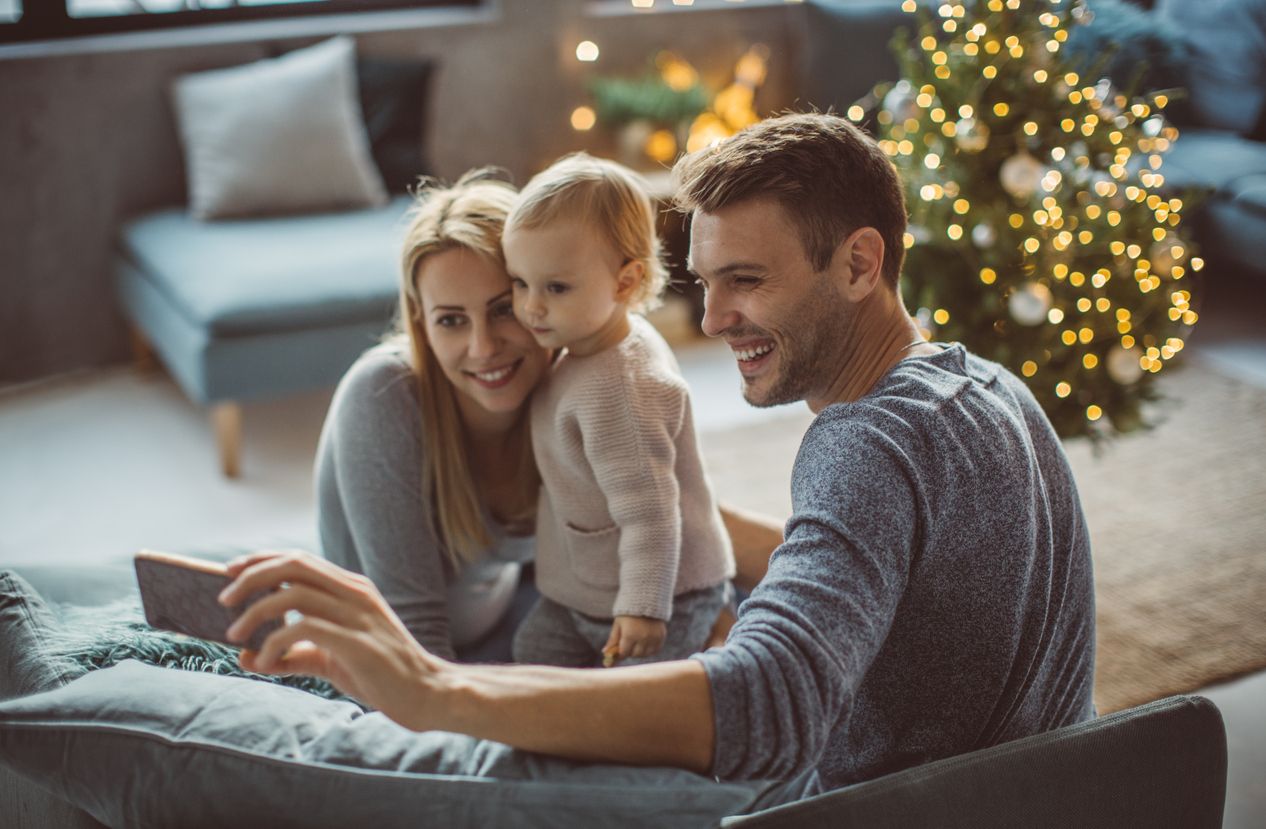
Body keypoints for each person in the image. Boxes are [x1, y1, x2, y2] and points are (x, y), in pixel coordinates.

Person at [221, 112, 1095, 791]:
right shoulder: (986, 385)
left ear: (861, 263)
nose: (712, 322)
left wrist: (436, 691)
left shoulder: (862, 446)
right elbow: (842, 549)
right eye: (706, 283)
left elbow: (770, 705)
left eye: (746, 279)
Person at [314, 167, 777, 663]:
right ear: (420, 322)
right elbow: (412, 635)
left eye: (502, 309)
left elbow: (674, 507)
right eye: (450, 320)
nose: (483, 348)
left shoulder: (578, 372)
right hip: (410, 651)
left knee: (758, 630)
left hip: (530, 607)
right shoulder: (383, 397)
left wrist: (745, 594)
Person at [501, 153, 734, 668]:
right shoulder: (584, 340)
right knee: (531, 655)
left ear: (625, 283)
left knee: (637, 698)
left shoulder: (622, 391)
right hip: (584, 592)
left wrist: (643, 608)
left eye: (555, 287)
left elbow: (650, 514)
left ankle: (718, 635)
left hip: (667, 594)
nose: (530, 307)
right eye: (520, 282)